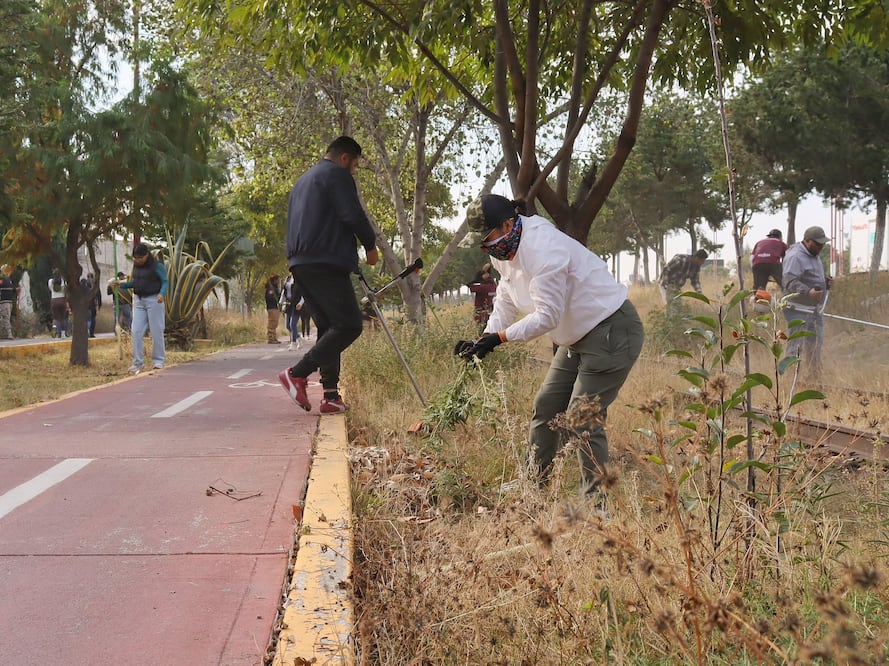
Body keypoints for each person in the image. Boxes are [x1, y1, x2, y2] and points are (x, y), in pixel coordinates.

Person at [453, 194, 644, 499]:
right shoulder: (503, 250)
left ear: (507, 224)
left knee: (582, 417)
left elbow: (547, 316)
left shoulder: (542, 248)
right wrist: (485, 336)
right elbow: (506, 295)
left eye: (485, 237)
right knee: (547, 405)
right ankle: (535, 483)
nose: (482, 246)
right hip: (574, 337)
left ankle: (596, 507)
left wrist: (500, 338)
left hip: (610, 329)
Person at [278, 135, 378, 415]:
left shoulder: (302, 182)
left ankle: (330, 395)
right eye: (355, 165)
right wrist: (370, 245)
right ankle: (297, 374)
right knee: (350, 325)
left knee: (328, 327)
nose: (354, 171)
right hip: (325, 260)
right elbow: (352, 214)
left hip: (300, 262)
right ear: (345, 158)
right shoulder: (336, 174)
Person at [782, 225, 832, 377]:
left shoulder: (814, 254)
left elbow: (810, 277)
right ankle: (789, 377)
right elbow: (789, 281)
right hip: (797, 309)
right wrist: (808, 291)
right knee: (796, 345)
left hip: (813, 310)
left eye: (823, 243)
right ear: (807, 241)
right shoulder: (795, 256)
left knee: (815, 344)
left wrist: (825, 282)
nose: (821, 246)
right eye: (818, 243)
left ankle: (814, 376)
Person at [113, 243, 168, 373]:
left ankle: (158, 361)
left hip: (154, 300)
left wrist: (162, 293)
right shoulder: (136, 267)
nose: (137, 260)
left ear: (146, 255)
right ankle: (138, 363)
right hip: (139, 300)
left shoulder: (157, 266)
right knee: (136, 331)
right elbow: (136, 283)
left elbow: (165, 281)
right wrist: (122, 285)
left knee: (156, 331)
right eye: (135, 258)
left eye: (140, 258)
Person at [466, 263, 497, 331]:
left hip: (481, 317)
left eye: (483, 273)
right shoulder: (494, 286)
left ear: (486, 275)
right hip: (492, 315)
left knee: (482, 335)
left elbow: (469, 285)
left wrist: (478, 278)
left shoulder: (481, 287)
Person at [279, 274, 302, 351]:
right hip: (288, 304)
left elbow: (304, 294)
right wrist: (280, 301)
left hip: (296, 304)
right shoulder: (288, 278)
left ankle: (293, 343)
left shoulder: (299, 279)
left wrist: (301, 303)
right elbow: (284, 291)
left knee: (293, 324)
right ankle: (298, 337)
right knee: (288, 326)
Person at [80, 273, 102, 337]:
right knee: (92, 319)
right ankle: (91, 333)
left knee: (85, 319)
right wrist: (99, 305)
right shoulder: (95, 285)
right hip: (92, 304)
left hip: (84, 305)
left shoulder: (85, 285)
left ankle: (85, 332)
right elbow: (99, 295)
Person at [48, 271, 68, 338]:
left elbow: (50, 289)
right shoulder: (64, 281)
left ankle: (54, 327)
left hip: (54, 300)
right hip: (62, 300)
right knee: (62, 318)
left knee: (55, 318)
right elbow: (66, 290)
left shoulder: (50, 281)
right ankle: (63, 334)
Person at [265, 275, 282, 344]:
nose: (279, 281)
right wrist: (277, 301)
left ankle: (274, 337)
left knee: (275, 323)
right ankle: (271, 338)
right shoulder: (271, 289)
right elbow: (270, 298)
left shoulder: (275, 288)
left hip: (275, 308)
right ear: (275, 280)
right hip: (272, 308)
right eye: (278, 280)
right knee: (272, 322)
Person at [0, 264, 16, 339]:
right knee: (6, 318)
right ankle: (9, 334)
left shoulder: (8, 279)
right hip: (4, 301)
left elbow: (12, 289)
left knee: (6, 318)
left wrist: (16, 289)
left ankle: (4, 334)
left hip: (9, 301)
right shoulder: (1, 279)